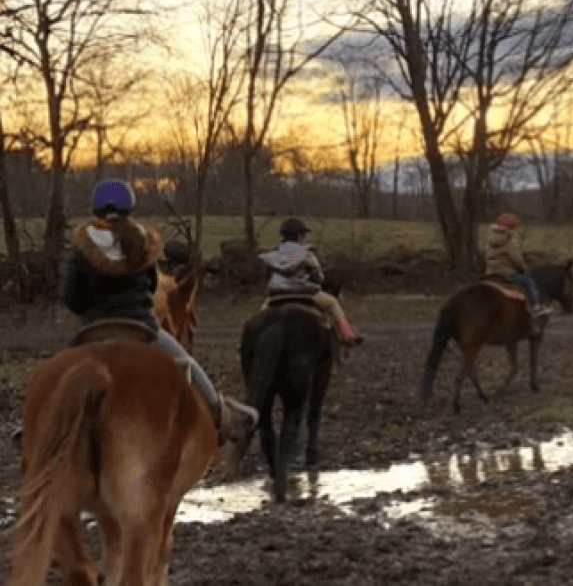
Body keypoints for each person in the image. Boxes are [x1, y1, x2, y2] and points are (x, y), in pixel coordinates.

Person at [60, 179, 258, 444]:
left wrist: (91, 312)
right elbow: (152, 288)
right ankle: (220, 415)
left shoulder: (81, 250)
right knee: (187, 363)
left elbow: (71, 299)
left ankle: (36, 429)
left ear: (95, 210)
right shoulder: (142, 243)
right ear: (130, 209)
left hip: (93, 333)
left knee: (57, 377)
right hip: (141, 329)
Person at [259, 217, 363, 346]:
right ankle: (347, 334)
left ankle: (252, 340)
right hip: (305, 293)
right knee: (333, 303)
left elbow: (267, 275)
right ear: (299, 236)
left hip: (277, 294)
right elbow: (319, 277)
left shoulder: (272, 255)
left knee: (261, 316)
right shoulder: (306, 254)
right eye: (304, 235)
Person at [484, 213, 550, 316]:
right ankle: (536, 307)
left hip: (490, 272)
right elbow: (516, 259)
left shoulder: (491, 239)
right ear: (512, 227)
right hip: (506, 273)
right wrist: (523, 268)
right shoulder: (510, 240)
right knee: (529, 282)